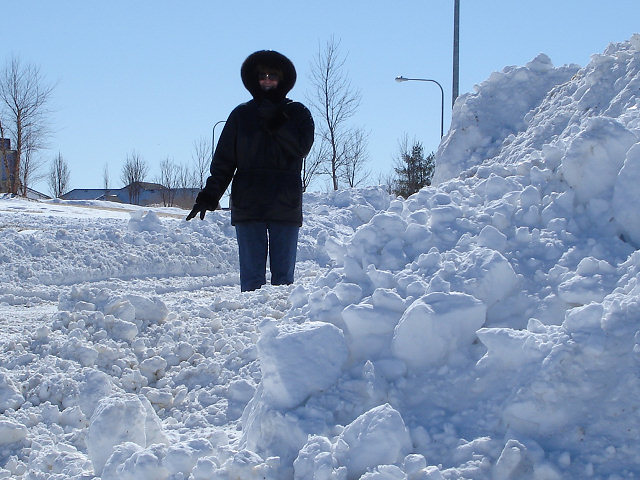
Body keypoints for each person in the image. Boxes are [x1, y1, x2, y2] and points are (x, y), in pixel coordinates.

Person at [186, 50, 315, 292]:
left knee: (284, 281)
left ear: (283, 79)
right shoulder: (241, 115)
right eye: (262, 76)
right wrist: (209, 196)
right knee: (251, 281)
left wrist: (277, 122)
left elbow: (302, 148)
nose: (267, 80)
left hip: (284, 203)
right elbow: (224, 162)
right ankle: (253, 316)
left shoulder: (297, 113)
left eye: (273, 75)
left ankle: (284, 316)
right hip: (248, 204)